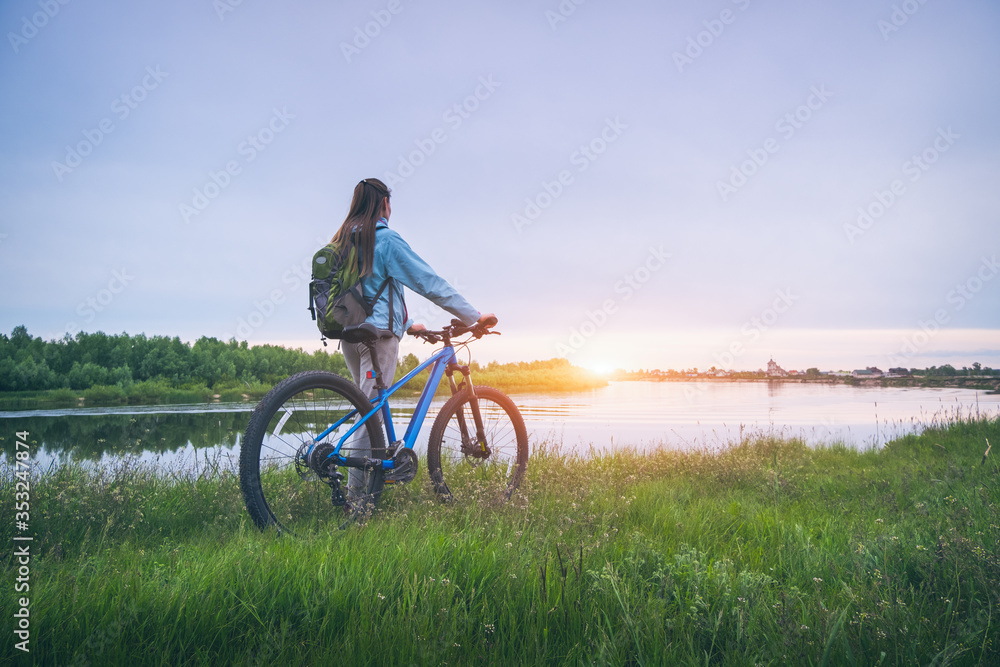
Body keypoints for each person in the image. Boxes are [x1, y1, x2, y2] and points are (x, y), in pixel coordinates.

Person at [329, 177, 495, 499]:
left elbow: (370, 291)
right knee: (370, 415)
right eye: (390, 204)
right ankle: (356, 500)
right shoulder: (385, 240)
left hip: (349, 334)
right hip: (378, 337)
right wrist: (473, 317)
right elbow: (428, 282)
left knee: (368, 407)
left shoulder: (344, 241)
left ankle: (370, 481)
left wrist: (409, 323)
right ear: (384, 205)